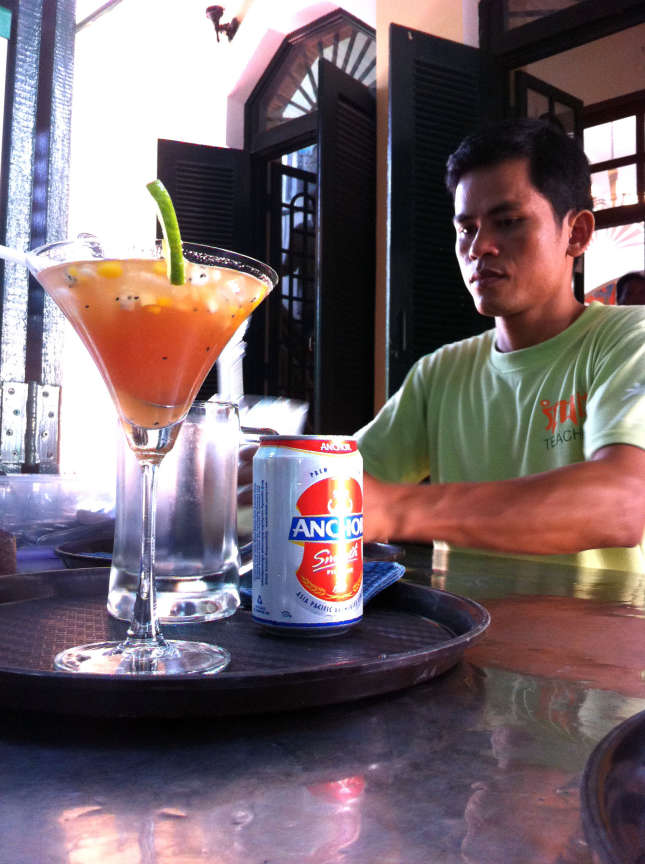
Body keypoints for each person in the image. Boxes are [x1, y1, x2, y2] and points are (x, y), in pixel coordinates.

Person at [357, 118, 645, 572]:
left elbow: (623, 504)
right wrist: (268, 467)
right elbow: (347, 480)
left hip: (604, 639)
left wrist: (397, 509)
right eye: (466, 228)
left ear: (577, 233)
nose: (479, 247)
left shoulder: (630, 342)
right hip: (464, 637)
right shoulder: (440, 373)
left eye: (508, 222)